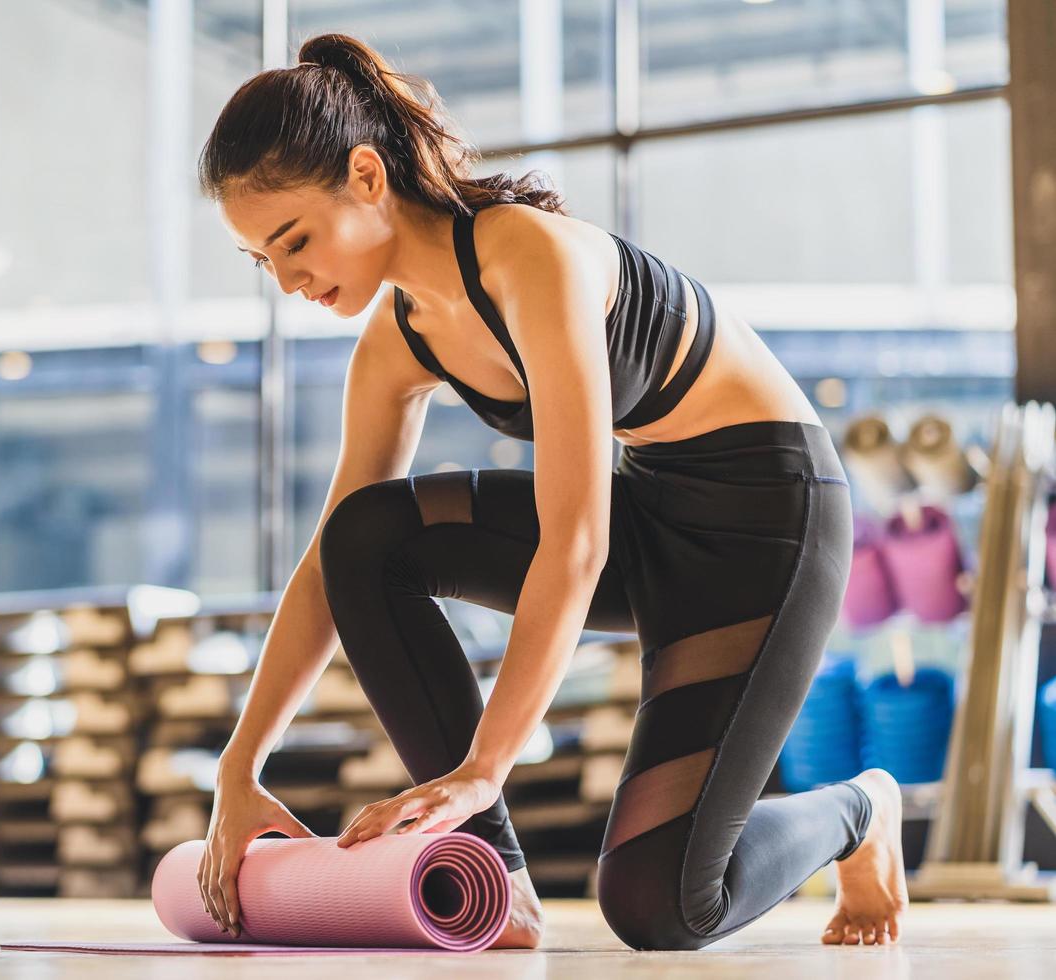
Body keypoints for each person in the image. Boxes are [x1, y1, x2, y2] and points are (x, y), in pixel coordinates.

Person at [192, 31, 908, 951]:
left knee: (661, 905)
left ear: (367, 179)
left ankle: (860, 810)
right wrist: (239, 767)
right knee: (364, 537)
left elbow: (574, 543)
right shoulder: (394, 346)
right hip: (645, 513)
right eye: (264, 262)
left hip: (769, 530)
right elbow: (330, 568)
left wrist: (486, 766)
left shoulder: (527, 257)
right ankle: (499, 884)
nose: (288, 280)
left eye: (294, 241)